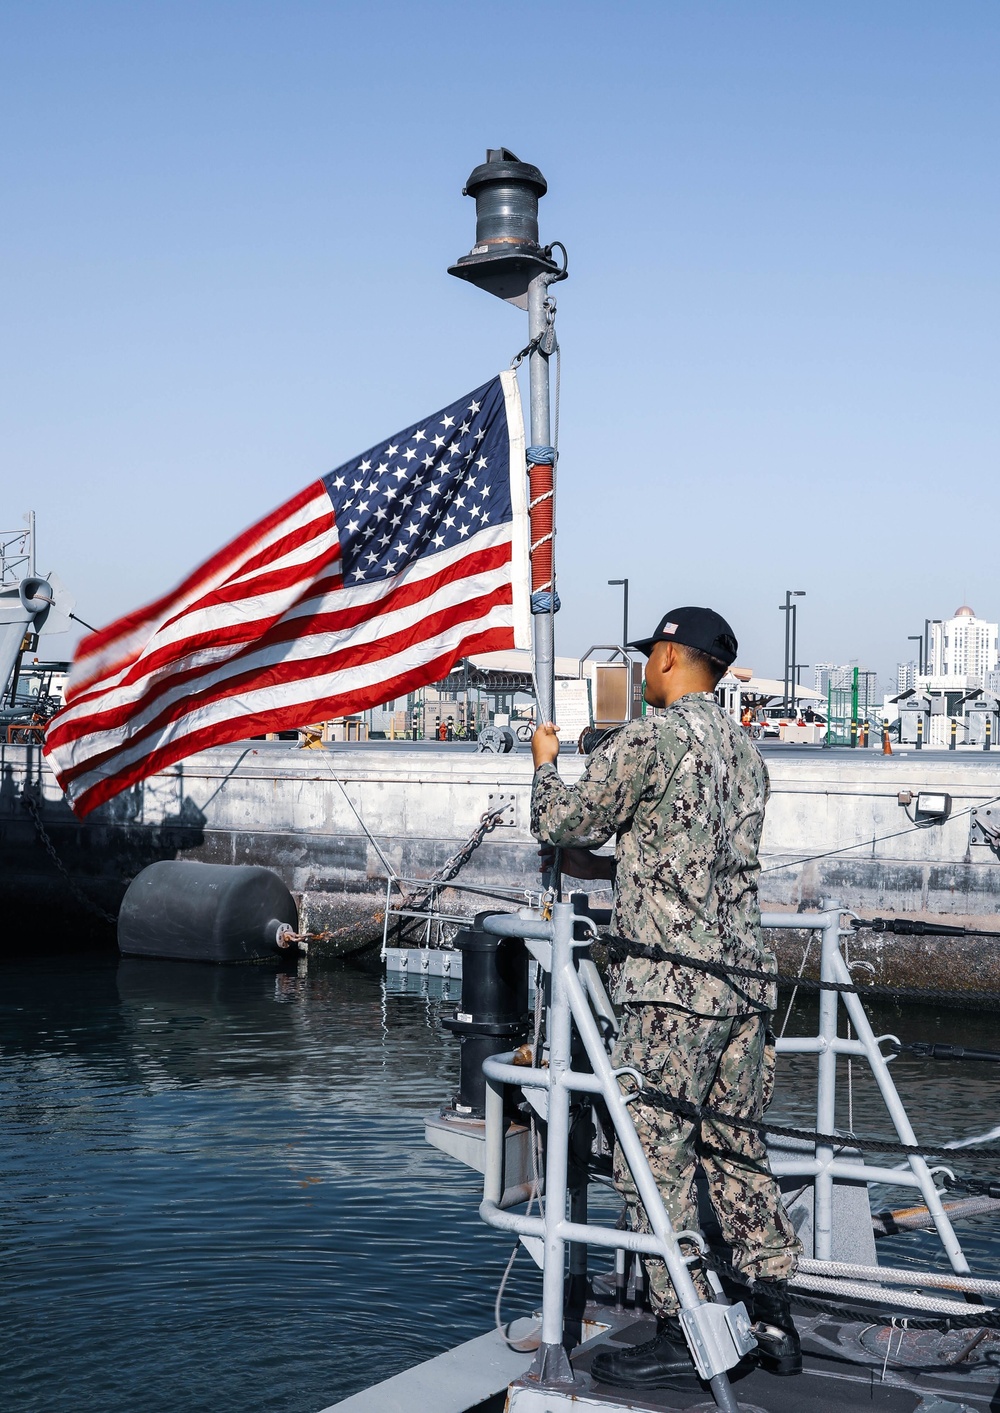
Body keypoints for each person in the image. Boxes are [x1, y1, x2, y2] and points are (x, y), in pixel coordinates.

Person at [530, 606, 801, 1391]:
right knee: (737, 1148)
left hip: (672, 992)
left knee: (656, 1159)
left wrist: (547, 761)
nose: (645, 668)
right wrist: (617, 873)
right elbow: (692, 860)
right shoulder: (746, 754)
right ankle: (773, 1314)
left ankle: (682, 1328)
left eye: (651, 656)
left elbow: (560, 818)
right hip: (745, 985)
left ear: (674, 658)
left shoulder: (651, 737)